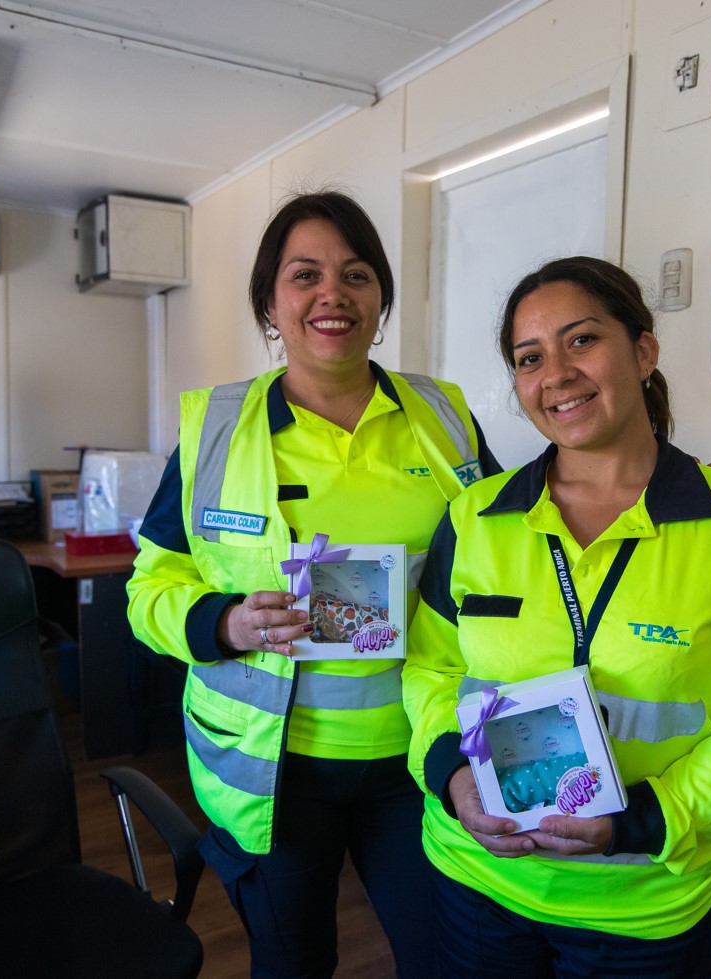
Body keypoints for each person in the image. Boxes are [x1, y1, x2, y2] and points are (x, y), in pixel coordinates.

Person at [403, 257, 711, 977]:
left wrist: (642, 820)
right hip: (479, 882)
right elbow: (432, 670)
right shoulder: (475, 517)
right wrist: (451, 775)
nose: (556, 374)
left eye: (582, 340)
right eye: (530, 358)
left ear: (644, 351)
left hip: (644, 907)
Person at [127, 191, 501, 978]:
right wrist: (224, 622)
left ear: (380, 298)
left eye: (356, 274)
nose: (334, 294)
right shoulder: (215, 429)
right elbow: (149, 588)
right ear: (270, 302)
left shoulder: (444, 415)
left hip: (420, 755)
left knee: (442, 957)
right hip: (276, 770)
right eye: (306, 275)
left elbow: (507, 551)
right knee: (294, 962)